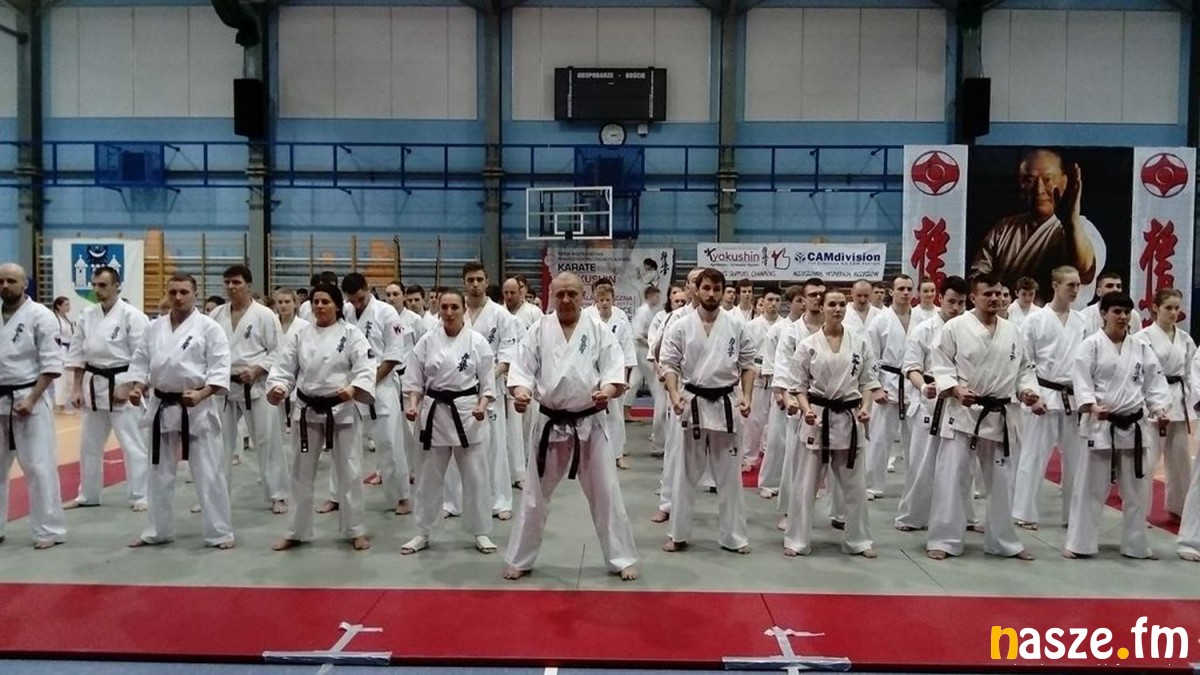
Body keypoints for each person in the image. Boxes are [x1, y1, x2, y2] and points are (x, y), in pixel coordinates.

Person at [503, 273, 639, 581]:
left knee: (606, 492)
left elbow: (614, 371)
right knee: (534, 496)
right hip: (550, 422)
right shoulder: (539, 330)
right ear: (551, 295)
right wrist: (521, 393)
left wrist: (607, 392)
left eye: (572, 294)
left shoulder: (598, 330)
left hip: (589, 421)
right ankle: (520, 558)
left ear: (583, 296)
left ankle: (621, 557)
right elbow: (521, 370)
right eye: (560, 294)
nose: (566, 300)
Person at [926, 273, 1039, 561]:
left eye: (998, 294)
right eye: (988, 294)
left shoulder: (1013, 331)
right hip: (963, 413)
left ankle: (1004, 541)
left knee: (1002, 482)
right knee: (952, 479)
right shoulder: (954, 327)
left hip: (1000, 414)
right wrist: (954, 389)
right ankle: (944, 540)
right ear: (973, 298)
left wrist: (1027, 390)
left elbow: (1025, 369)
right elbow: (940, 364)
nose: (995, 299)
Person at [127, 273, 235, 550]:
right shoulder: (154, 327)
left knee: (208, 472)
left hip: (196, 407)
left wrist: (202, 394)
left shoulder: (210, 328)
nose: (177, 297)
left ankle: (220, 532)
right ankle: (157, 530)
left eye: (184, 292)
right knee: (158, 473)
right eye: (173, 291)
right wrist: (137, 386)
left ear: (195, 294)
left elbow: (220, 368)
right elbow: (141, 361)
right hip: (162, 405)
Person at [266, 283, 374, 551]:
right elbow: (284, 367)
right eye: (315, 302)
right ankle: (295, 531)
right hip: (307, 409)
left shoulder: (351, 334)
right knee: (300, 473)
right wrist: (279, 387)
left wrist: (354, 388)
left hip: (341, 409)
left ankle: (356, 529)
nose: (319, 306)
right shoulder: (300, 334)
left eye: (325, 301)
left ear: (337, 305)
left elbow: (365, 367)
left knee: (350, 472)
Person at [1066, 293, 1170, 559]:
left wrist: (1159, 408)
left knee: (1137, 492)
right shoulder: (1090, 346)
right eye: (1117, 312)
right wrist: (1091, 405)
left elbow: (1154, 383)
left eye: (1126, 312)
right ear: (1103, 314)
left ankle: (1136, 545)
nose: (1123, 317)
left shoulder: (1141, 348)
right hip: (1101, 425)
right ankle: (1080, 544)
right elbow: (1081, 381)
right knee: (1091, 488)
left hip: (1134, 426)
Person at [659, 268, 756, 553]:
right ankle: (678, 534)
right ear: (696, 290)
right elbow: (669, 365)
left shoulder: (737, 325)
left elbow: (748, 365)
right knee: (684, 474)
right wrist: (674, 394)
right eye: (706, 288)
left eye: (716, 289)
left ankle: (734, 537)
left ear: (724, 292)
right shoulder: (680, 325)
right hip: (692, 403)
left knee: (730, 477)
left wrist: (747, 396)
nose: (711, 294)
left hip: (727, 403)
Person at [784, 288, 880, 557]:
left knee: (856, 488)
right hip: (818, 418)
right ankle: (797, 540)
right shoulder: (808, 344)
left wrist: (866, 407)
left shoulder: (860, 343)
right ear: (822, 307)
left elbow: (868, 382)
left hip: (849, 419)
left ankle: (860, 541)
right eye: (832, 304)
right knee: (805, 486)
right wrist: (806, 410)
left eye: (841, 304)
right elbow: (798, 386)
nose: (837, 309)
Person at [400, 289, 497, 555]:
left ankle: (480, 531)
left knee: (476, 477)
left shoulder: (477, 342)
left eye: (454, 307)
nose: (449, 312)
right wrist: (412, 405)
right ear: (439, 309)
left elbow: (487, 384)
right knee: (427, 478)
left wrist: (482, 406)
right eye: (444, 307)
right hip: (434, 414)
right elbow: (414, 381)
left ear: (464, 308)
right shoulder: (427, 341)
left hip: (467, 414)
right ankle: (423, 531)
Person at [969, 148, 1103, 308]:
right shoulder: (1003, 229)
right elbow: (979, 279)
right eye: (1029, 180)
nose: (1039, 189)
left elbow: (1083, 269)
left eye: (1048, 179)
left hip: (1059, 320)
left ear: (1064, 181)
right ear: (1020, 184)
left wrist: (1071, 222)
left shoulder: (1082, 228)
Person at [64, 266, 150, 512]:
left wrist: (129, 385)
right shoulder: (87, 315)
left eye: (102, 285)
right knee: (89, 445)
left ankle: (140, 495)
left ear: (116, 286)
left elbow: (142, 355)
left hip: (122, 381)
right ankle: (88, 494)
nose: (96, 290)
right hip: (93, 384)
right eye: (94, 285)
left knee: (133, 444)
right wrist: (76, 388)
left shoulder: (132, 316)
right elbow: (78, 353)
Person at [1012, 266, 1088, 531]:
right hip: (1043, 394)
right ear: (1055, 286)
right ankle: (1024, 513)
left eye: (1078, 285)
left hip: (1074, 397)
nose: (1075, 290)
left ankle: (1072, 515)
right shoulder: (1035, 320)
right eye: (1070, 285)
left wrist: (1088, 398)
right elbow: (1025, 362)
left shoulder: (1082, 322)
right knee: (1033, 456)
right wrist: (1032, 395)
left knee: (1077, 460)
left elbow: (1087, 364)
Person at [210, 265, 288, 514]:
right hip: (224, 385)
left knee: (267, 440)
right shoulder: (216, 315)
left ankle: (278, 494)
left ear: (248, 285)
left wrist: (257, 369)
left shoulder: (265, 315)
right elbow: (208, 348)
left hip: (256, 385)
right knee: (218, 444)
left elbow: (278, 350)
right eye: (227, 282)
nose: (231, 287)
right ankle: (216, 496)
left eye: (236, 282)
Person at [895, 275, 970, 532]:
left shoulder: (969, 329)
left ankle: (964, 516)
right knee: (922, 462)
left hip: (961, 402)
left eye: (961, 303)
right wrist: (922, 387)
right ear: (940, 299)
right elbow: (911, 367)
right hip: (930, 398)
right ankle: (912, 516)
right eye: (951, 302)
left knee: (961, 465)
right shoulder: (924, 329)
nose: (956, 308)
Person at [0, 263, 68, 548]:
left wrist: (31, 399)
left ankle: (49, 529)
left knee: (39, 467)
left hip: (29, 396)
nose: (5, 286)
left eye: (11, 280)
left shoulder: (41, 316)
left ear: (25, 283)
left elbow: (51, 365)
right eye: (1, 281)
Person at [339, 272, 412, 516]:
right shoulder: (347, 311)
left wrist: (368, 383)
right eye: (352, 300)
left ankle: (402, 496)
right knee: (344, 445)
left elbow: (393, 355)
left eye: (360, 298)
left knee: (390, 443)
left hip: (382, 385)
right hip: (353, 385)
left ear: (368, 288)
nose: (357, 304)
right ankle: (337, 496)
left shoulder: (387, 313)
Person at [451, 262, 515, 520]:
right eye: (470, 280)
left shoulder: (501, 316)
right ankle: (455, 501)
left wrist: (484, 380)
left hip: (490, 388)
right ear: (464, 283)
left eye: (479, 279)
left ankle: (500, 501)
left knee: (495, 444)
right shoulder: (455, 312)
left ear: (487, 281)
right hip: (459, 391)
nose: (475, 284)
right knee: (457, 444)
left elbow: (508, 357)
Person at [1135, 289, 1194, 521]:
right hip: (1151, 403)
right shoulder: (1143, 338)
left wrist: (1191, 400)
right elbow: (1137, 374)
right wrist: (1145, 403)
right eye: (1168, 307)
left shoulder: (1185, 339)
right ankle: (1139, 513)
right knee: (1147, 461)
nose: (1173, 312)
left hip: (1178, 402)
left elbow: (1191, 374)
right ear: (1155, 308)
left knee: (1180, 461)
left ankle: (1179, 509)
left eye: (1176, 308)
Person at [864, 275, 917, 495]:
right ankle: (872, 485)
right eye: (901, 288)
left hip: (914, 385)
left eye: (909, 289)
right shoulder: (880, 321)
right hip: (887, 383)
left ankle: (915, 487)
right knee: (879, 439)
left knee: (915, 442)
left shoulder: (921, 319)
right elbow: (870, 356)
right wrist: (875, 387)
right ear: (891, 292)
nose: (906, 292)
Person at [756, 285, 804, 500]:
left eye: (804, 300)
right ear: (789, 303)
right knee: (776, 439)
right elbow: (770, 361)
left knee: (802, 441)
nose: (803, 304)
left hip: (805, 391)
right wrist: (777, 391)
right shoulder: (777, 329)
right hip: (782, 388)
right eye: (798, 300)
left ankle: (799, 482)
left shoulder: (812, 328)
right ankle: (770, 482)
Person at [587, 280, 636, 470]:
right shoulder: (587, 317)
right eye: (601, 300)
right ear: (595, 299)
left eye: (608, 299)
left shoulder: (620, 319)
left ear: (613, 299)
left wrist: (626, 378)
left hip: (614, 373)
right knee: (590, 414)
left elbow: (627, 349)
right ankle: (590, 454)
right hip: (592, 371)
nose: (605, 303)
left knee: (615, 416)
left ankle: (617, 454)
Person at [740, 286, 781, 472]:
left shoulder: (785, 326)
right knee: (753, 422)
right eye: (770, 300)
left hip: (778, 379)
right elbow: (746, 353)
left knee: (774, 424)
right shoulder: (752, 326)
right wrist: (754, 368)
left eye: (777, 300)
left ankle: (771, 459)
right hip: (757, 377)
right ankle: (748, 457)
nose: (773, 304)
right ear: (762, 302)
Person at [51, 297, 74, 414]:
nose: (68, 307)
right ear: (58, 306)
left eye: (69, 304)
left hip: (68, 351)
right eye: (66, 304)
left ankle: (64, 404)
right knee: (60, 379)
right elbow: (54, 337)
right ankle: (60, 407)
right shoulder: (55, 319)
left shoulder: (65, 319)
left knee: (69, 379)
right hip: (60, 351)